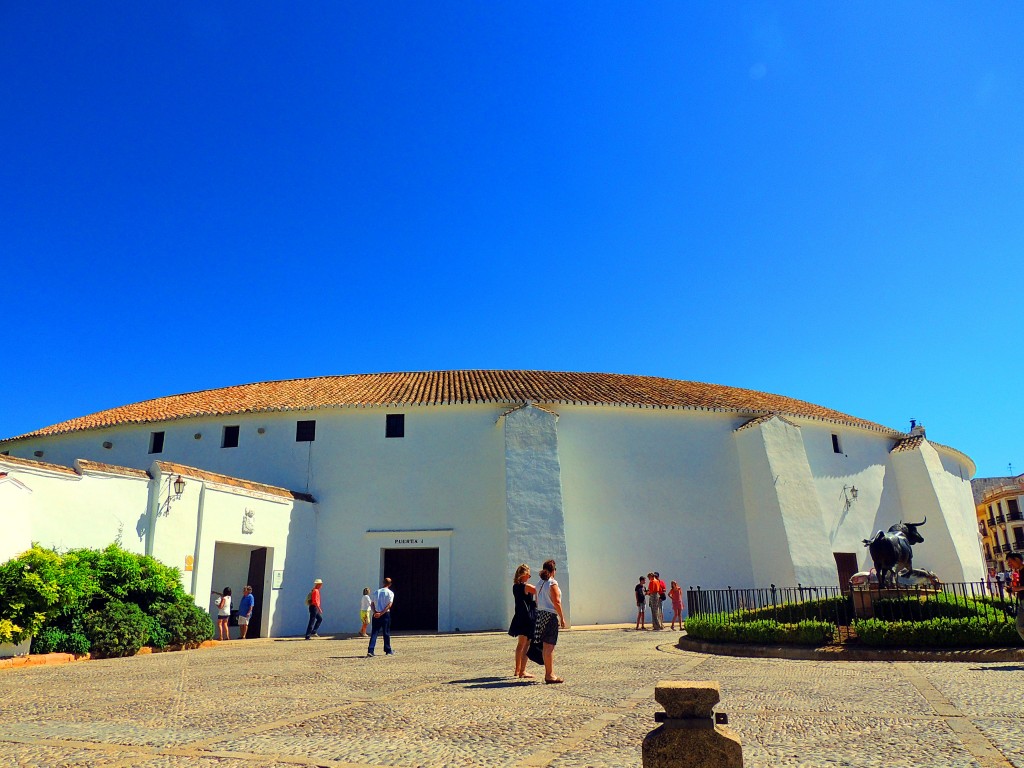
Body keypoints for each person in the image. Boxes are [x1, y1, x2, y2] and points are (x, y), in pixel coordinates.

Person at [534, 559, 567, 684]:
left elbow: (537, 600)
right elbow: (556, 602)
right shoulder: (552, 583)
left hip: (541, 614)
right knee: (549, 646)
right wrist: (562, 617)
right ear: (554, 571)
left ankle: (549, 673)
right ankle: (549, 674)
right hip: (550, 615)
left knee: (545, 645)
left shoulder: (539, 583)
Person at [508, 563, 538, 678]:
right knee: (527, 644)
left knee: (520, 645)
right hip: (527, 617)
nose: (529, 578)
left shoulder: (515, 587)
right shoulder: (526, 587)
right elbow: (538, 591)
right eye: (529, 575)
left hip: (519, 616)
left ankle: (517, 669)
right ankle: (523, 671)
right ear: (524, 575)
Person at [367, 577, 395, 657]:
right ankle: (388, 650)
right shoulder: (390, 593)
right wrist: (382, 613)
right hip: (385, 615)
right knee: (386, 632)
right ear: (390, 584)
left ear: (383, 583)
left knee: (374, 633)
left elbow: (372, 604)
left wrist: (375, 612)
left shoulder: (376, 592)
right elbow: (389, 605)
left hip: (376, 614)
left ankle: (371, 650)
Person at [1007, 552, 1024, 641]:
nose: (1009, 564)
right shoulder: (1019, 572)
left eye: (1010, 561)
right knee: (1020, 627)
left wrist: (1017, 588)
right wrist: (1012, 588)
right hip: (1022, 601)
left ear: (1017, 560)